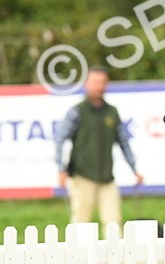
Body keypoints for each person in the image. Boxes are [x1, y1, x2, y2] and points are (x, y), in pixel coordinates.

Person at [54, 66, 144, 225]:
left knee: (113, 221)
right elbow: (60, 138)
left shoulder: (112, 112)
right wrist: (61, 168)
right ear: (86, 84)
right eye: (95, 82)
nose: (99, 86)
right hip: (82, 176)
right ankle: (78, 251)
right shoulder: (77, 112)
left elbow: (123, 143)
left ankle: (115, 251)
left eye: (103, 82)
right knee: (81, 221)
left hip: (107, 178)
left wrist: (134, 169)